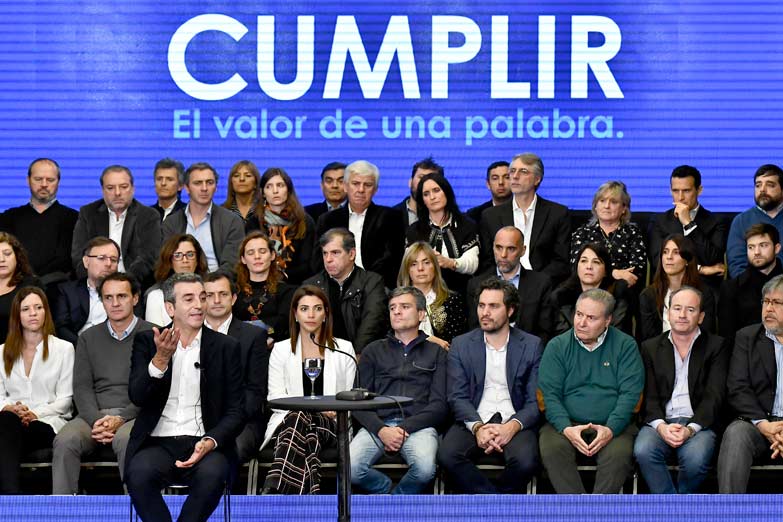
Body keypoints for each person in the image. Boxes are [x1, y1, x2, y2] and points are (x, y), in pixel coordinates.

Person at [124, 273, 243, 522]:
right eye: (189, 299)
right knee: (138, 474)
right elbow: (137, 396)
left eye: (202, 297)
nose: (199, 305)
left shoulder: (226, 347)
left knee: (213, 475)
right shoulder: (148, 342)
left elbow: (236, 411)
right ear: (170, 308)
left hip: (205, 442)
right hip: (157, 442)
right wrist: (160, 360)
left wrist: (210, 441)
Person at [437, 278, 543, 493]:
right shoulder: (461, 345)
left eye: (493, 306)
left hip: (514, 419)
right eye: (481, 305)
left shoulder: (532, 345)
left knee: (526, 462)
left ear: (510, 310)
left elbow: (534, 401)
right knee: (447, 456)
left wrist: (511, 427)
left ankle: (490, 503)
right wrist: (478, 427)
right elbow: (457, 396)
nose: (485, 312)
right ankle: (496, 504)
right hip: (473, 419)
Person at [52, 272, 153, 494]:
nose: (115, 303)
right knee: (65, 440)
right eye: (108, 297)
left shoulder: (153, 334)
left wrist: (121, 418)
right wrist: (98, 421)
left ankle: (136, 508)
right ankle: (62, 509)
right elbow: (82, 387)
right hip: (94, 416)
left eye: (122, 296)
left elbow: (153, 388)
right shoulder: (88, 338)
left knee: (126, 440)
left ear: (135, 298)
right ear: (102, 301)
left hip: (135, 415)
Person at [538, 288, 644, 494]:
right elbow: (549, 396)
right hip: (566, 423)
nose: (581, 323)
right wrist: (565, 428)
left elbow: (630, 395)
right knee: (552, 448)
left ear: (607, 320)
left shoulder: (626, 346)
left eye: (591, 318)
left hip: (613, 425)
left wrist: (611, 428)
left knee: (618, 455)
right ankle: (577, 508)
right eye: (579, 314)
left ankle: (598, 509)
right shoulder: (557, 346)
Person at [350, 287, 447, 494]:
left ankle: (395, 501)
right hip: (378, 426)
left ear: (421, 314)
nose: (397, 311)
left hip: (419, 426)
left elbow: (440, 405)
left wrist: (403, 429)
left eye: (404, 306)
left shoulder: (437, 352)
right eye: (392, 307)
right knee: (350, 468)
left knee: (425, 469)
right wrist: (382, 430)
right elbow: (357, 402)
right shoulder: (372, 350)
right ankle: (385, 490)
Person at [261, 285, 356, 494]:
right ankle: (308, 496)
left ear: (326, 314)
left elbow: (350, 397)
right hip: (288, 423)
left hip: (332, 423)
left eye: (317, 308)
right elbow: (275, 398)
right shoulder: (281, 350)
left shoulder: (344, 349)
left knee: (301, 419)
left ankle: (275, 487)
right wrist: (310, 409)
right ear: (295, 314)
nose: (311, 315)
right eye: (304, 309)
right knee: (307, 435)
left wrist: (328, 410)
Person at [634, 286, 729, 494]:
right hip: (660, 423)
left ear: (701, 316)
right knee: (643, 450)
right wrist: (661, 427)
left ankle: (682, 502)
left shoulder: (716, 346)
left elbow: (714, 396)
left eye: (690, 309)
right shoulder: (650, 347)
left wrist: (690, 429)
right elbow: (649, 396)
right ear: (668, 313)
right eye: (677, 308)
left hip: (699, 424)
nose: (682, 315)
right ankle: (673, 505)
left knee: (696, 459)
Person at [0, 287, 74, 494]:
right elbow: (0, 395)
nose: (33, 313)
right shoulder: (2, 352)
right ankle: (11, 497)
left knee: (6, 429)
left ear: (45, 312)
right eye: (26, 309)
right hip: (9, 422)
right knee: (7, 422)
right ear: (17, 315)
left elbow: (65, 400)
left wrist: (33, 414)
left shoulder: (64, 349)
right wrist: (11, 409)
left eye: (38, 307)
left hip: (47, 423)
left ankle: (8, 499)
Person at [717, 274, 783, 493]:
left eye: (777, 302)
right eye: (766, 302)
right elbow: (737, 387)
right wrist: (764, 425)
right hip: (758, 423)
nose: (768, 308)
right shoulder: (747, 337)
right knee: (736, 434)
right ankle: (729, 508)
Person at [202, 270, 268, 463]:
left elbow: (255, 392)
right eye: (209, 295)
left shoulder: (253, 336)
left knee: (228, 451)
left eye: (223, 294)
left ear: (233, 298)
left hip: (241, 422)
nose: (216, 301)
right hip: (196, 419)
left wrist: (227, 422)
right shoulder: (190, 332)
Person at [480, 152, 571, 284]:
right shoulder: (490, 216)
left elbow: (561, 262)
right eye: (512, 171)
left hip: (543, 286)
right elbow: (487, 262)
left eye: (523, 171)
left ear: (537, 179)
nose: (515, 176)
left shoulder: (558, 214)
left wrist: (535, 284)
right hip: (502, 286)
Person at [316, 160, 406, 289]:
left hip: (377, 286)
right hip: (335, 285)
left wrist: (364, 283)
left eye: (367, 185)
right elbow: (318, 261)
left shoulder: (390, 217)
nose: (361, 190)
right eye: (355, 184)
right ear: (345, 186)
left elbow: (392, 260)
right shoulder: (328, 220)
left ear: (375, 189)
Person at [71, 164, 161, 287]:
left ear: (133, 189)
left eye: (123, 187)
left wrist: (123, 283)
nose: (117, 193)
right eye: (110, 188)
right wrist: (94, 282)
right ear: (103, 190)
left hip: (133, 285)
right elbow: (79, 256)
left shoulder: (148, 215)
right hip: (94, 283)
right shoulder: (88, 213)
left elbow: (148, 258)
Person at [303, 228, 387, 354]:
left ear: (351, 254)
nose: (328, 259)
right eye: (325, 253)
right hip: (321, 354)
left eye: (335, 253)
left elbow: (371, 325)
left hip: (361, 355)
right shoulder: (311, 285)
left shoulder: (372, 282)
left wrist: (354, 355)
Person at [467, 226, 555, 343]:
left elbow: (545, 331)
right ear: (493, 247)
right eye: (499, 247)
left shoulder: (541, 284)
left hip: (528, 351)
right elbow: (474, 330)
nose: (503, 255)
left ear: (523, 250)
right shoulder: (476, 284)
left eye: (511, 249)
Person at [0, 158, 78, 286]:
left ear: (58, 182)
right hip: (16, 288)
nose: (44, 184)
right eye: (38, 179)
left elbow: (71, 261)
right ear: (28, 180)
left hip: (60, 290)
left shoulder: (75, 219)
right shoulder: (8, 218)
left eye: (50, 180)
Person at [648, 165, 726, 290]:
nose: (680, 197)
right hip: (668, 285)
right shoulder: (659, 221)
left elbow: (712, 259)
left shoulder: (716, 221)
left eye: (686, 191)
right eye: (675, 191)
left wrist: (688, 223)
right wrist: (701, 269)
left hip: (703, 288)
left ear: (699, 190)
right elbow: (658, 262)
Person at [162, 162, 245, 273]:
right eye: (198, 183)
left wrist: (212, 281)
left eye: (209, 183)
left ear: (216, 187)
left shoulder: (232, 221)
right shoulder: (171, 223)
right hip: (181, 281)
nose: (204, 188)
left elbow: (231, 265)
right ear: (187, 188)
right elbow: (166, 263)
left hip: (218, 281)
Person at [405, 172, 479, 295]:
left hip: (461, 291)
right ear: (422, 200)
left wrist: (449, 263)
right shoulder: (414, 230)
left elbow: (472, 264)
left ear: (446, 192)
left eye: (436, 190)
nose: (432, 197)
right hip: (423, 294)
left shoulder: (467, 225)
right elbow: (408, 265)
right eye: (426, 194)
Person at [570, 180, 647, 290]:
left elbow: (637, 269)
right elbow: (575, 266)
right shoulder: (582, 233)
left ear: (624, 208)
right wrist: (614, 273)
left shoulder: (633, 233)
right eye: (602, 201)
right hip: (587, 288)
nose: (607, 206)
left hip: (622, 290)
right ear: (595, 206)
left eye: (613, 202)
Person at [638, 234, 715, 342]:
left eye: (676, 252)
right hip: (659, 350)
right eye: (665, 252)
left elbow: (707, 335)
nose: (669, 257)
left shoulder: (703, 293)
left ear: (687, 260)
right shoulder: (649, 295)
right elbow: (648, 340)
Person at [246, 167, 316, 284]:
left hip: (297, 284)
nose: (275, 191)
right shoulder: (254, 222)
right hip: (261, 282)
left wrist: (282, 277)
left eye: (280, 185)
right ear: (263, 193)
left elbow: (308, 264)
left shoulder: (304, 221)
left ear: (288, 190)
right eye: (269, 186)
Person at [549, 242, 631, 336]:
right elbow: (561, 336)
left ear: (606, 271)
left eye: (596, 262)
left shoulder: (618, 294)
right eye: (584, 261)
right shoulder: (561, 296)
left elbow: (617, 334)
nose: (589, 267)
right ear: (577, 267)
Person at [719, 223, 783, 342]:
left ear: (777, 248)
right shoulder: (731, 288)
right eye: (751, 247)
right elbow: (727, 338)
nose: (756, 252)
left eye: (763, 245)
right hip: (745, 351)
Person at [397, 241, 467, 349]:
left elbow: (458, 344)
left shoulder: (452, 300)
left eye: (426, 262)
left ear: (435, 266)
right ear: (407, 269)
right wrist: (427, 339)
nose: (420, 268)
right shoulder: (396, 302)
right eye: (414, 264)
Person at [232, 232, 295, 346]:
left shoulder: (286, 291)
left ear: (272, 255)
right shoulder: (235, 292)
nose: (257, 256)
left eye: (262, 251)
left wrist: (269, 334)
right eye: (250, 253)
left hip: (276, 348)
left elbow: (285, 322)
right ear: (243, 259)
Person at [727, 164, 783, 277]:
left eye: (770, 185)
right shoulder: (741, 221)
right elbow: (737, 265)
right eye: (758, 185)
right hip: (750, 285)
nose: (762, 190)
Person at [144, 234, 208, 327]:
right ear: (169, 261)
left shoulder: (210, 291)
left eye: (190, 254)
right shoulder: (156, 296)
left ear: (197, 260)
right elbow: (157, 333)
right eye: (178, 255)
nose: (185, 260)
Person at [0, 232, 42, 344]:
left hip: (19, 348)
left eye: (7, 254)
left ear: (17, 257)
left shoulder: (32, 285)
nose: (1, 259)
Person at [393, 157, 444, 227]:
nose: (425, 182)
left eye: (431, 179)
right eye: (421, 177)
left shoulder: (449, 219)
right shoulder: (391, 216)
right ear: (410, 182)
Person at [466, 161, 511, 225]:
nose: (501, 182)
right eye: (495, 178)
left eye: (507, 177)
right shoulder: (475, 215)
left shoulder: (523, 210)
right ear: (488, 184)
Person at [223, 160, 261, 226]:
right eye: (236, 175)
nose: (242, 179)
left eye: (248, 175)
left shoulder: (265, 211)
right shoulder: (222, 212)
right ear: (231, 183)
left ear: (256, 183)